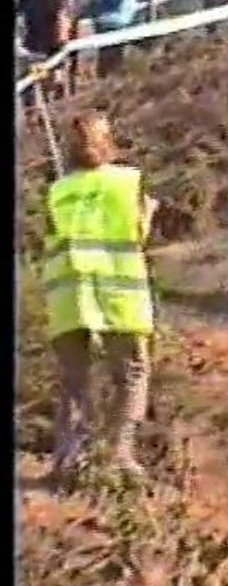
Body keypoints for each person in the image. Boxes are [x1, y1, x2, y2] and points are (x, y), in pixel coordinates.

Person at [43, 112, 159, 479]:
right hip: (118, 294)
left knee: (74, 380)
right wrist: (151, 214)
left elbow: (49, 239)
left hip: (68, 298)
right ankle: (119, 457)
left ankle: (68, 459)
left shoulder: (57, 190)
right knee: (131, 374)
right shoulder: (129, 182)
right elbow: (137, 234)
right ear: (109, 142)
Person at [16, 0, 78, 103]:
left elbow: (67, 22)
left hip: (53, 50)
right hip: (31, 50)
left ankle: (58, 115)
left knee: (55, 86)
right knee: (29, 90)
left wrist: (62, 46)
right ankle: (34, 119)